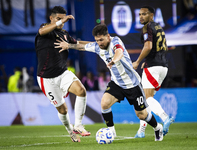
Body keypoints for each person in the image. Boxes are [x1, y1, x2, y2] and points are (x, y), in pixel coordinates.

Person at [55, 24, 164, 141]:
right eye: (97, 40)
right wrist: (69, 45)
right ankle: (111, 132)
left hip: (132, 84)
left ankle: (158, 127)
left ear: (108, 36)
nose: (99, 43)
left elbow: (119, 52)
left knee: (142, 115)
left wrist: (113, 61)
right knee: (104, 103)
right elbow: (83, 46)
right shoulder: (98, 46)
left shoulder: (115, 41)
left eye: (101, 40)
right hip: (116, 83)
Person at [34, 6, 91, 142]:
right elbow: (42, 31)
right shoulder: (45, 29)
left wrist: (97, 45)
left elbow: (78, 44)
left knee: (81, 91)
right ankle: (70, 130)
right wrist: (61, 21)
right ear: (51, 18)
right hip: (46, 78)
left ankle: (78, 125)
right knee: (63, 110)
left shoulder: (64, 34)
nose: (62, 22)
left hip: (62, 73)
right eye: (58, 19)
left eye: (63, 19)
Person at [132, 6, 174, 138]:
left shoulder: (147, 27)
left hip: (153, 67)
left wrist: (138, 61)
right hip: (163, 67)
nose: (141, 17)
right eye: (139, 14)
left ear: (152, 15)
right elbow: (161, 47)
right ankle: (141, 131)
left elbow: (148, 46)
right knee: (147, 99)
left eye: (144, 14)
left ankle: (165, 117)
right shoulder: (159, 28)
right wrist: (149, 60)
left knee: (146, 98)